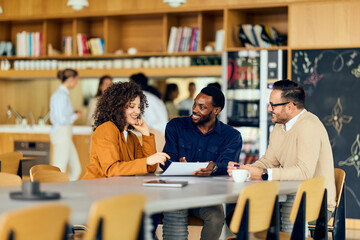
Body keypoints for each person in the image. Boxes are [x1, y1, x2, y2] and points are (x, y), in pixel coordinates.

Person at [227, 80, 336, 226]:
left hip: (314, 204)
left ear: (290, 107)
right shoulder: (280, 127)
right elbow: (268, 161)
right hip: (289, 198)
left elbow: (304, 172)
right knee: (236, 215)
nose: (269, 109)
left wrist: (263, 174)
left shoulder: (309, 126)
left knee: (246, 218)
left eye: (273, 105)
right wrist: (245, 169)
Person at [161, 86, 243, 240]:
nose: (195, 110)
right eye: (194, 104)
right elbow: (165, 160)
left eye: (202, 107)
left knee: (217, 218)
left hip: (207, 196)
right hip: (176, 194)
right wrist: (175, 164)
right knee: (146, 216)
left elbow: (230, 165)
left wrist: (215, 167)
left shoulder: (231, 136)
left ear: (216, 110)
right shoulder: (175, 126)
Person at [82, 81, 170, 179]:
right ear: (117, 107)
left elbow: (150, 168)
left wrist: (146, 134)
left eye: (139, 107)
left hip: (118, 188)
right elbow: (112, 170)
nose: (137, 111)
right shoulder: (106, 129)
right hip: (97, 189)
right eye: (132, 106)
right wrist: (146, 161)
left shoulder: (131, 137)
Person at [50, 68, 82, 181]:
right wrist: (75, 116)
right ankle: (56, 194)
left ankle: (65, 191)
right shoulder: (60, 96)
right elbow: (60, 119)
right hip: (61, 134)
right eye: (76, 80)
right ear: (70, 79)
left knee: (76, 169)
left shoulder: (64, 95)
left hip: (66, 135)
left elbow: (62, 115)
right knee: (59, 170)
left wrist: (72, 113)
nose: (77, 83)